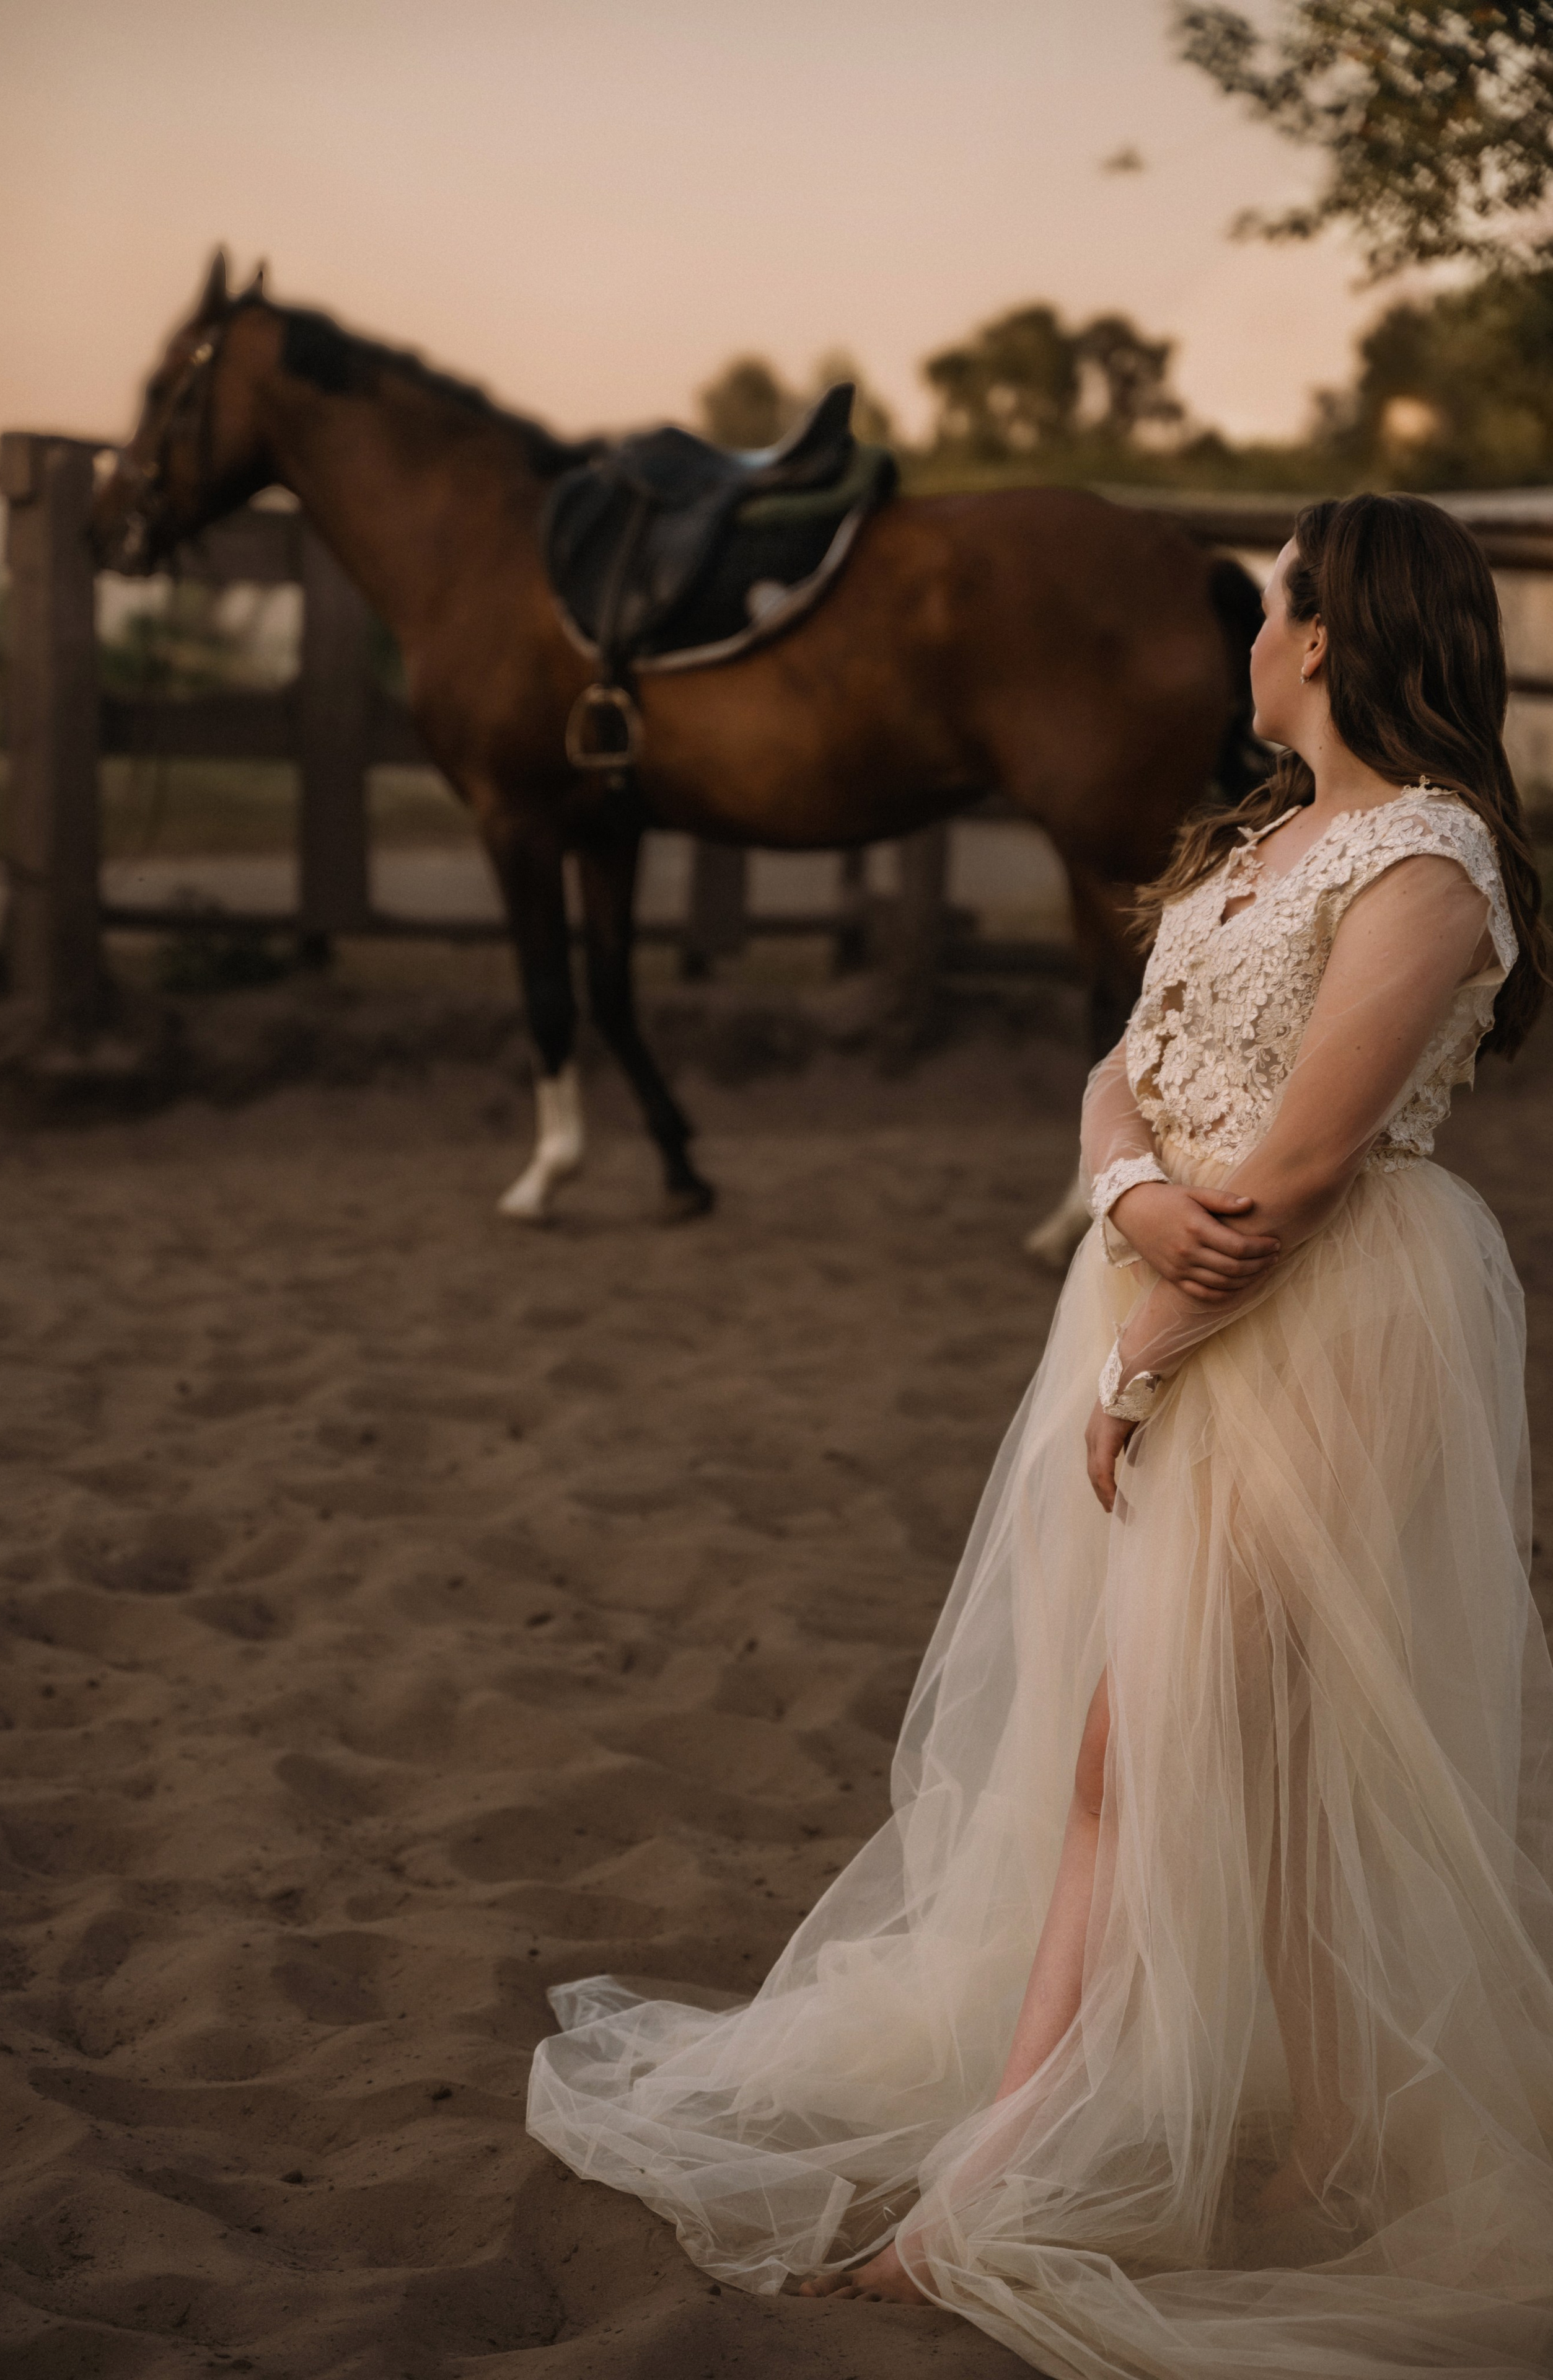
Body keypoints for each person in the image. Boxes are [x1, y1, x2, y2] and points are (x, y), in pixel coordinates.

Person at [527, 495, 1553, 2379]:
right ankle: (1323, 2140)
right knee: (1246, 1760)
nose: (1242, 636)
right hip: (1181, 1308)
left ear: (1326, 639)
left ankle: (979, 2209)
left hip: (1316, 1345)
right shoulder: (1265, 840)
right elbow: (1121, 1064)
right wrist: (1118, 1186)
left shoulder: (1432, 860)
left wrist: (1149, 1341)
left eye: (1265, 609)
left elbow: (1306, 1173)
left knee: (1138, 1757)